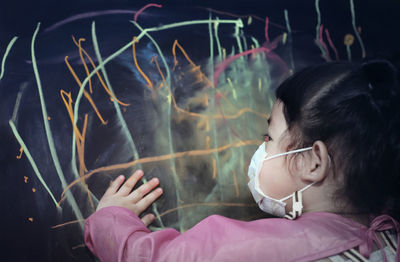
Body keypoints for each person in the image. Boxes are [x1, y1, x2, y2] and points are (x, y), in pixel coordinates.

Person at [84, 59, 400, 262]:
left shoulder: (263, 249)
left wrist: (111, 219)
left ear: (313, 162)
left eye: (269, 138)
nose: (260, 149)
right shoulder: (387, 238)